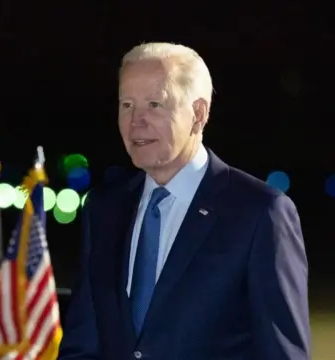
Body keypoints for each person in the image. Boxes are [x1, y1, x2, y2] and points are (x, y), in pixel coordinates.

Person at [58, 43, 311, 359]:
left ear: (199, 113)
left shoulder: (259, 213)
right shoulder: (104, 209)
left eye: (154, 104)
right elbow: (83, 343)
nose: (136, 121)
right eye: (126, 105)